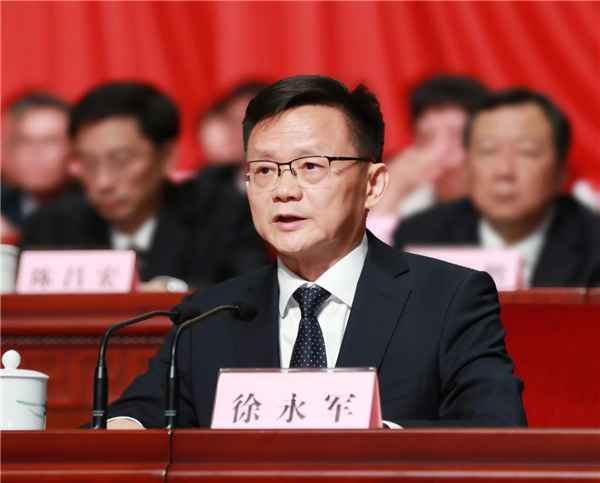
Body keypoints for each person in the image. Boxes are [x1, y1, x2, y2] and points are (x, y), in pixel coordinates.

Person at [106, 75, 526, 429]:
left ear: (373, 185)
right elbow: (133, 418)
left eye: (311, 166)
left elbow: (497, 432)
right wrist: (123, 429)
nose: (284, 190)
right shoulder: (208, 316)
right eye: (264, 170)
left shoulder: (448, 300)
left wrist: (376, 438)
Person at [21, 82, 269, 288]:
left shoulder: (224, 217)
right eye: (88, 162)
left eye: (121, 160)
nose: (103, 182)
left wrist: (169, 291)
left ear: (166, 156)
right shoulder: (49, 230)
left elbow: (251, 296)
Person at [394, 88, 600, 288]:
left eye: (526, 152)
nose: (504, 171)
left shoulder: (594, 246)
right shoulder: (419, 237)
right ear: (468, 164)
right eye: (488, 151)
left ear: (561, 172)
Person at [367, 75, 489, 244]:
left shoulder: (500, 210)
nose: (438, 153)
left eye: (456, 137)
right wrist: (391, 190)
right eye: (426, 138)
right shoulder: (409, 205)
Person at [1, 93, 76, 241]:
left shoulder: (98, 207)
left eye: (50, 141)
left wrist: (13, 238)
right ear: (8, 149)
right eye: (24, 141)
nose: (36, 153)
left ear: (74, 147)